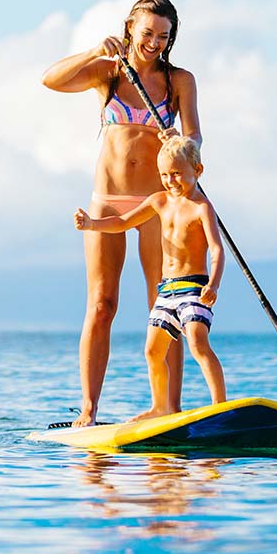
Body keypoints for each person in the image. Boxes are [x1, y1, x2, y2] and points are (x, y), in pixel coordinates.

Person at [42, 0, 202, 427]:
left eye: (163, 36)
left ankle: (168, 407)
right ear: (130, 28)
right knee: (102, 304)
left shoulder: (179, 80)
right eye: (147, 32)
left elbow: (195, 136)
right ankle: (89, 410)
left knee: (164, 305)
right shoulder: (108, 73)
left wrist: (181, 144)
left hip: (158, 204)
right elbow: (50, 80)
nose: (154, 42)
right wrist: (94, 51)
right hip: (107, 200)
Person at [74, 135, 225, 422]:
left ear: (198, 170)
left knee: (197, 342)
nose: (170, 181)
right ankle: (160, 406)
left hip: (194, 288)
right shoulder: (159, 201)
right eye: (165, 175)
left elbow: (217, 249)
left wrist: (213, 284)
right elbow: (122, 222)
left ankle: (220, 406)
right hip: (166, 292)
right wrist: (93, 224)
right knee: (153, 351)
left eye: (177, 173)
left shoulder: (202, 208)